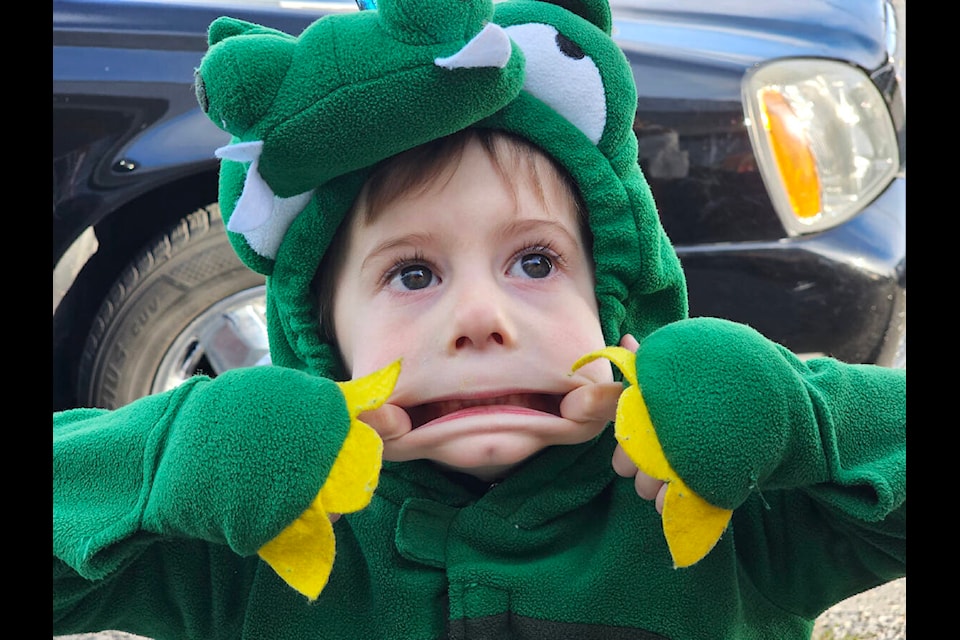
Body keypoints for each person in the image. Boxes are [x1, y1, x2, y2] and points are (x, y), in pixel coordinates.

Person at [53, 0, 906, 638]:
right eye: (413, 273)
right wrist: (162, 458)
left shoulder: (730, 505)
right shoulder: (245, 540)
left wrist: (806, 422)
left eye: (536, 262)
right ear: (322, 335)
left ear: (609, 299)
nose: (481, 318)